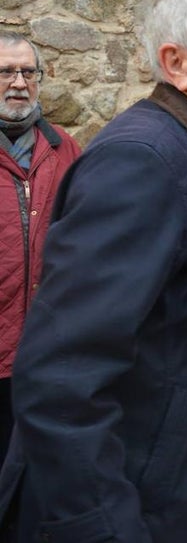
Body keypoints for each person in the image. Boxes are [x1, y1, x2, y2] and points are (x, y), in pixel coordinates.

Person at [0, 0, 187, 543]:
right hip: (146, 514)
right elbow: (61, 379)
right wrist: (103, 527)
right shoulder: (142, 163)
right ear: (176, 64)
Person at [0, 34, 80, 468]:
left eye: (28, 72)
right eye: (6, 72)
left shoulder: (64, 148)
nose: (18, 83)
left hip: (46, 352)